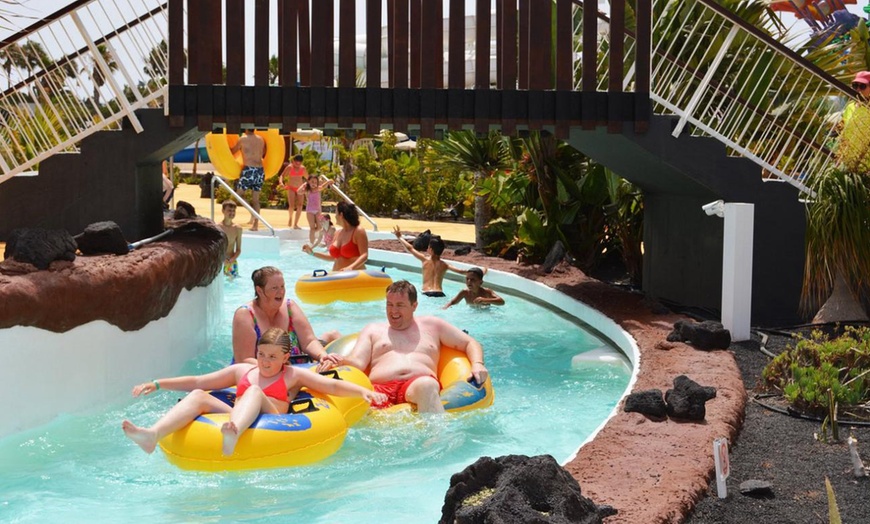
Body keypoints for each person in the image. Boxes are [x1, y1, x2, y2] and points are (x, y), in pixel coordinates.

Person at [122, 327, 387, 456]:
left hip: (274, 417)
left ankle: (233, 431)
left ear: (285, 357)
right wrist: (157, 383)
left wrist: (363, 393)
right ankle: (152, 435)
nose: (265, 361)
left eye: (272, 356)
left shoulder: (292, 375)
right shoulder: (243, 372)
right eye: (261, 354)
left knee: (254, 393)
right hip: (239, 413)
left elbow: (331, 385)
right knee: (199, 397)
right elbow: (198, 380)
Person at [322, 280, 488, 413]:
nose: (393, 311)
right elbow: (358, 362)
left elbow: (469, 342)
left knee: (427, 385)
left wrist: (477, 364)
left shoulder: (433, 325)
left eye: (400, 305)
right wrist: (340, 361)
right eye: (389, 304)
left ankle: (435, 444)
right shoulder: (373, 330)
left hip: (417, 385)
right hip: (379, 389)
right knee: (354, 404)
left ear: (414, 305)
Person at [232, 266, 342, 368]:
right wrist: (277, 367)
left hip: (296, 370)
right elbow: (244, 359)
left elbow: (308, 341)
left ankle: (329, 337)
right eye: (274, 288)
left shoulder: (290, 307)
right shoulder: (245, 315)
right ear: (259, 290)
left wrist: (322, 355)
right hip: (261, 372)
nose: (281, 292)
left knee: (333, 335)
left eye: (282, 286)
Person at [392, 226, 468, 297]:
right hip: (440, 294)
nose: (427, 249)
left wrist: (399, 237)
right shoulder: (445, 265)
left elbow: (410, 248)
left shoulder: (424, 259)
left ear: (431, 250)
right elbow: (461, 271)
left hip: (427, 293)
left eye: (428, 247)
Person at [303, 201, 369, 272]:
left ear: (341, 215)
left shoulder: (358, 231)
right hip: (336, 275)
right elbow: (333, 257)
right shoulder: (337, 233)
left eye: (336, 213)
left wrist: (350, 268)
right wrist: (312, 253)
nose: (335, 216)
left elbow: (364, 255)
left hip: (354, 275)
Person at [230, 129, 266, 232]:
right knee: (256, 200)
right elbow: (262, 153)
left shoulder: (243, 139)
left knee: (239, 195)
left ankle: (251, 213)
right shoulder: (261, 139)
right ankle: (255, 225)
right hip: (260, 170)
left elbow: (233, 151)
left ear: (246, 128)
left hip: (249, 170)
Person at [298, 174, 335, 244]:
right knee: (312, 228)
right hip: (310, 211)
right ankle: (312, 243)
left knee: (319, 227)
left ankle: (315, 238)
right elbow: (298, 192)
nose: (313, 184)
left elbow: (323, 186)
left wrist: (329, 181)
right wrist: (304, 185)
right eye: (312, 182)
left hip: (318, 211)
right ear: (308, 182)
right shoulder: (307, 190)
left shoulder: (318, 189)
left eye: (315, 182)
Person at [278, 154, 307, 229]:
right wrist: (281, 182)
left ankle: (296, 223)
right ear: (293, 161)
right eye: (296, 163)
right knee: (291, 205)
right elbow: (282, 175)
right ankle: (290, 217)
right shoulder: (290, 167)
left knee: (300, 205)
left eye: (299, 163)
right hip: (291, 188)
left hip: (300, 188)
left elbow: (308, 177)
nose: (297, 165)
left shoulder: (303, 168)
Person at [217, 200, 242, 277]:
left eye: (233, 211)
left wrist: (232, 259)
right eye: (229, 210)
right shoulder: (217, 228)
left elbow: (238, 249)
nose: (232, 213)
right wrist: (222, 259)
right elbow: (215, 248)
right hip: (220, 261)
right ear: (223, 211)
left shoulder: (238, 229)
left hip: (232, 261)